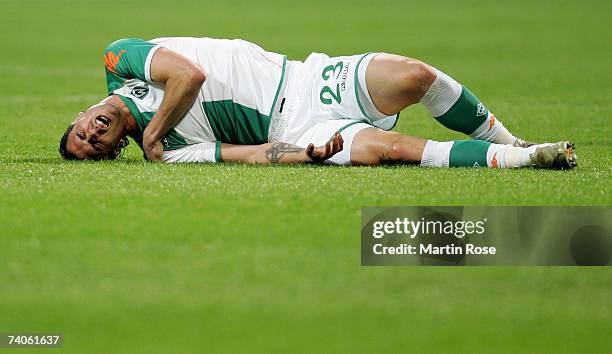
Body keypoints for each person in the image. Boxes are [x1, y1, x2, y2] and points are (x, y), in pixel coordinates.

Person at [59, 37, 577, 169]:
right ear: (111, 150)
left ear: (80, 115)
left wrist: (150, 133)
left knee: (415, 76)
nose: (92, 136)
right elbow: (253, 153)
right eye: (95, 148)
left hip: (307, 81)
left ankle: (509, 138)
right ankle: (528, 157)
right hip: (300, 127)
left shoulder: (117, 61)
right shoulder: (168, 150)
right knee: (392, 149)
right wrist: (304, 155)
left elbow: (187, 74)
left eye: (81, 133)